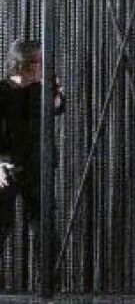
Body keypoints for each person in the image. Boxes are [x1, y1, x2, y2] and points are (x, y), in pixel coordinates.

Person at [0, 39, 65, 258]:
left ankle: (49, 275)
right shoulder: (2, 91)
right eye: (39, 61)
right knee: (2, 224)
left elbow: (58, 107)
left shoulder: (40, 90)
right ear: (24, 64)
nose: (44, 66)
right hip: (7, 166)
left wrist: (55, 91)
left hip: (38, 165)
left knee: (44, 227)